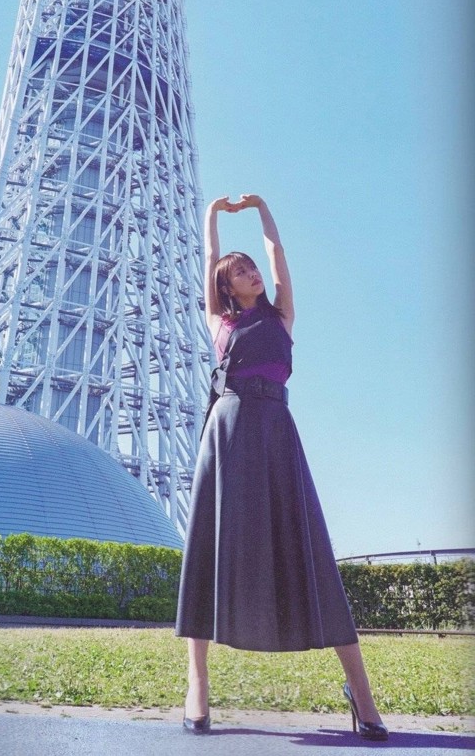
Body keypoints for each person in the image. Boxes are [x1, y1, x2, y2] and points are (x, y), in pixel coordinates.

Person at [175, 193, 388, 742]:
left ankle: (360, 693)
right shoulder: (218, 323)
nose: (251, 273)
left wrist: (263, 209)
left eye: (251, 268)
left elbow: (277, 250)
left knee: (310, 547)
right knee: (208, 551)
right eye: (239, 271)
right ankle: (196, 682)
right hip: (225, 432)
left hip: (275, 432)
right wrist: (211, 218)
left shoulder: (283, 316)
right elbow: (208, 260)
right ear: (227, 288)